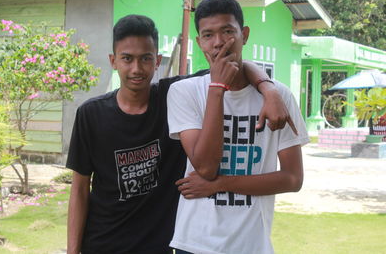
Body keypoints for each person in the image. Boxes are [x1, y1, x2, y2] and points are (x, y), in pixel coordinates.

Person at [66, 14, 295, 254]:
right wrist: (73, 251)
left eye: (146, 58)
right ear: (113, 61)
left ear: (158, 61)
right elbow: (80, 189)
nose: (136, 68)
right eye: (127, 59)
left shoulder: (176, 97)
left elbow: (234, 64)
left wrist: (268, 88)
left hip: (161, 246)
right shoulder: (90, 114)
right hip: (103, 244)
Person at [167, 0, 310, 254]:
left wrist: (220, 184)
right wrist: (218, 88)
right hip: (195, 242)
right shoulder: (184, 92)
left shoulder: (280, 97)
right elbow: (207, 167)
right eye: (208, 35)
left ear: (244, 34)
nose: (219, 42)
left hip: (251, 244)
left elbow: (292, 178)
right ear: (199, 43)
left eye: (227, 31)